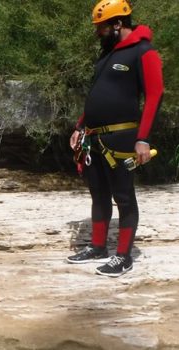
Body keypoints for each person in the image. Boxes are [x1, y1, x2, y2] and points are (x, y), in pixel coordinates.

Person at [66, 0, 163, 277]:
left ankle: (124, 257)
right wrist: (79, 127)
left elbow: (155, 95)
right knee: (98, 194)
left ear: (118, 24)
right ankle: (98, 247)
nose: (98, 32)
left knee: (123, 196)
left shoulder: (143, 51)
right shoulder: (106, 56)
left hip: (123, 138)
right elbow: (97, 96)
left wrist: (143, 139)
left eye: (102, 27)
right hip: (94, 137)